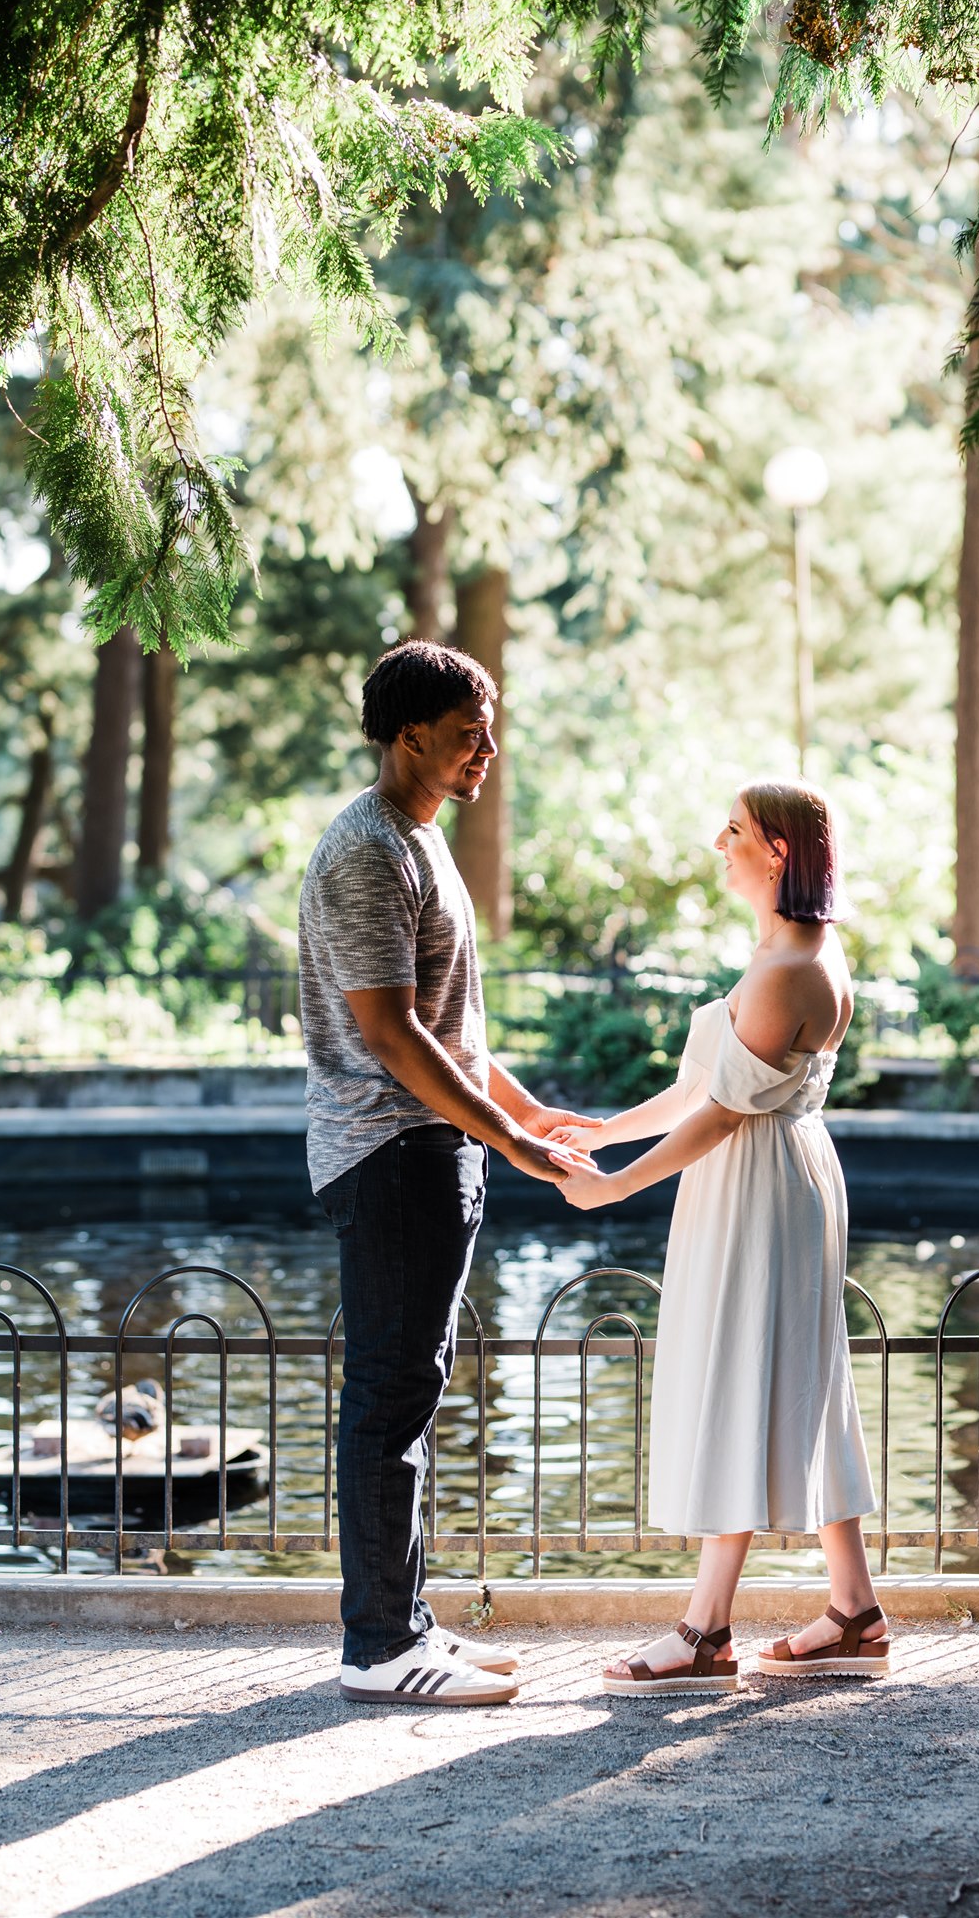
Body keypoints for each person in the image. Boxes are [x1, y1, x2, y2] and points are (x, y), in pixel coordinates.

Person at [299, 640, 596, 1706]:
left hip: (430, 1145)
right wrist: (510, 1143)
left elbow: (452, 1028)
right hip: (390, 1149)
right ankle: (378, 1647)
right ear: (409, 733)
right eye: (470, 730)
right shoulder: (366, 852)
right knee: (388, 1398)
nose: (489, 748)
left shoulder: (419, 840)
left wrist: (524, 1114)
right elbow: (392, 1032)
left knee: (411, 1394)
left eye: (489, 726)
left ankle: (407, 1622)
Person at [555, 780, 886, 1691]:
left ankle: (706, 1633)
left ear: (777, 850)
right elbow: (699, 1091)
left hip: (761, 1183)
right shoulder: (784, 950)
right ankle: (855, 1613)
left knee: (743, 1377)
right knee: (801, 1383)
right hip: (762, 1177)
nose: (718, 842)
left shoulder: (791, 970)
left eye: (734, 830)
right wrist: (599, 1127)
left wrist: (615, 1187)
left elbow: (724, 1116)